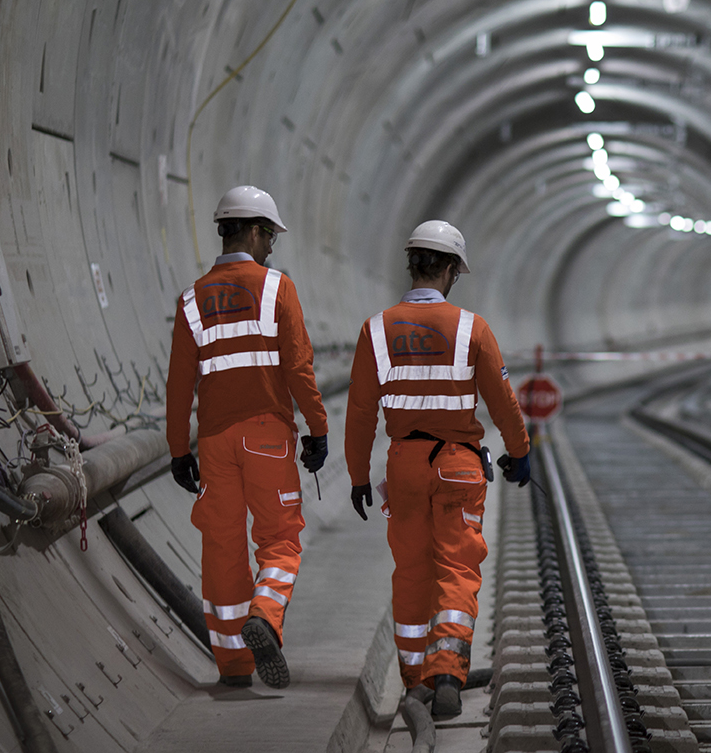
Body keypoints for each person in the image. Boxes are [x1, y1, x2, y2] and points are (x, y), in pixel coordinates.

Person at [345, 219, 530, 719]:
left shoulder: (376, 329)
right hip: (458, 467)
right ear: (449, 269)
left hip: (403, 464)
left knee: (410, 571)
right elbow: (504, 403)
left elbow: (360, 411)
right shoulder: (472, 328)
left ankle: (415, 681)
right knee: (456, 568)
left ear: (412, 266)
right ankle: (447, 669)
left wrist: (358, 474)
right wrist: (521, 451)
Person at [165, 185, 331, 689]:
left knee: (222, 548)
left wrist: (178, 449)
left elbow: (178, 384)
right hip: (268, 437)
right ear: (254, 231)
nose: (272, 247)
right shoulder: (278, 288)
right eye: (270, 236)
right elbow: (299, 369)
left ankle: (234, 665)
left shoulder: (192, 298)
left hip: (214, 441)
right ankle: (264, 613)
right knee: (280, 539)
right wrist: (318, 429)